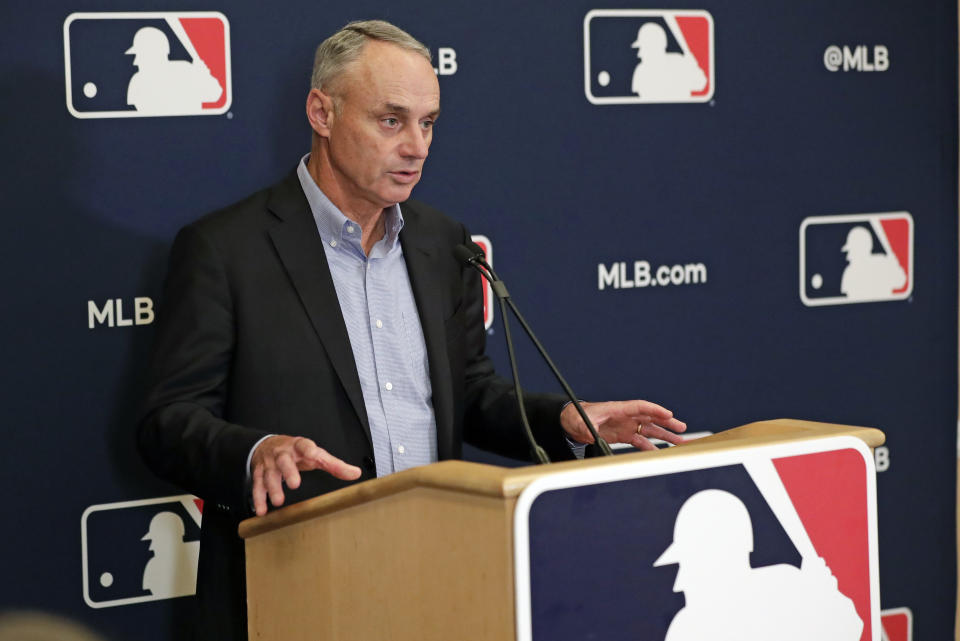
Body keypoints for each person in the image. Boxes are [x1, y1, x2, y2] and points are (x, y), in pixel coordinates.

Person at [138, 19, 687, 640]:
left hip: (431, 579)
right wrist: (255, 452)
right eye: (391, 120)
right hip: (292, 587)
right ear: (322, 112)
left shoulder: (441, 241)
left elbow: (470, 394)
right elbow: (167, 422)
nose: (417, 146)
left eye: (428, 123)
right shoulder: (225, 248)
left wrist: (564, 420)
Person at [653, 490, 862, 641]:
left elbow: (851, 627)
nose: (679, 584)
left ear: (725, 558)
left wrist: (826, 599)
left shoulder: (788, 587)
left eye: (691, 564)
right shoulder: (687, 626)